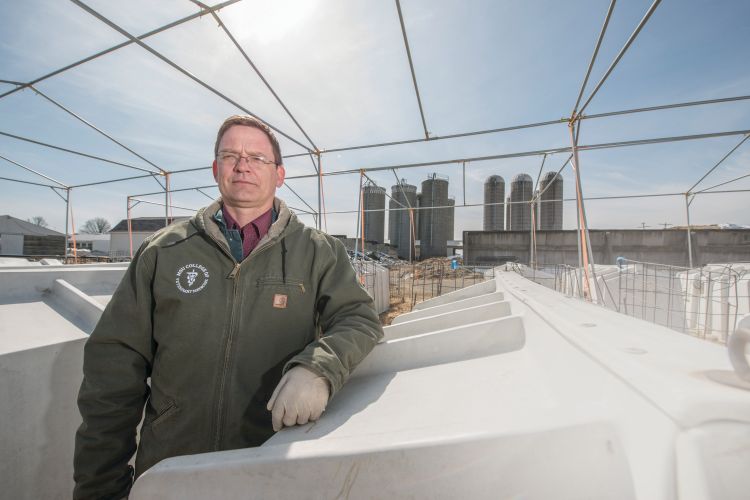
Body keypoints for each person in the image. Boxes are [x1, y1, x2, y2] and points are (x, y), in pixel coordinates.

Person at [73, 115, 383, 499]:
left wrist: (318, 368)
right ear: (216, 168)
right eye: (230, 155)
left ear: (279, 175)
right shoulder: (165, 251)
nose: (243, 165)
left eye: (257, 157)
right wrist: (99, 488)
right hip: (171, 469)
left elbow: (359, 318)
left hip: (270, 464)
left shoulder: (318, 252)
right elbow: (113, 371)